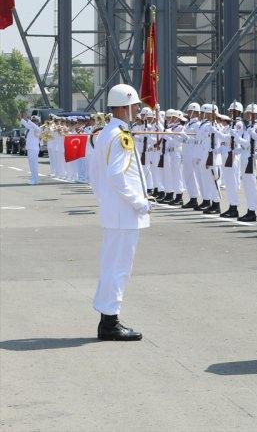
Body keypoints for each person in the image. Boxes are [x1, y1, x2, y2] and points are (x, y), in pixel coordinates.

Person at [90, 83, 150, 341]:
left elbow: (95, 173)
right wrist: (139, 202)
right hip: (124, 213)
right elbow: (116, 174)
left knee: (111, 265)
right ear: (125, 108)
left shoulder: (106, 133)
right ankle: (110, 323)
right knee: (119, 268)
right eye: (135, 105)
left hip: (114, 211)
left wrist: (104, 199)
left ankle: (108, 319)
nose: (137, 109)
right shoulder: (120, 135)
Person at [19, 113, 41, 185]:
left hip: (34, 149)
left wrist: (27, 119)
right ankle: (34, 179)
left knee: (34, 165)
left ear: (38, 122)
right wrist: (22, 119)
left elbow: (32, 125)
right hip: (30, 148)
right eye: (33, 120)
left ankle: (35, 179)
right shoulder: (31, 128)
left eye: (35, 121)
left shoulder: (38, 128)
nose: (33, 122)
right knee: (31, 164)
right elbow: (26, 124)